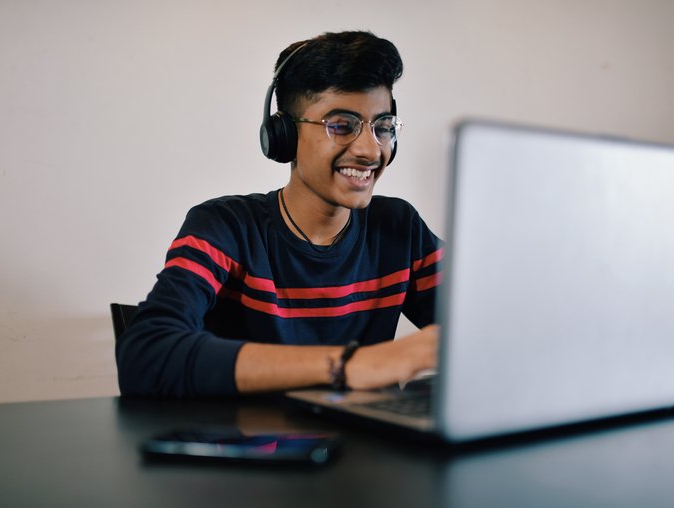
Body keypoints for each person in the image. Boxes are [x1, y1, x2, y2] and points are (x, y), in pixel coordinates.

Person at [116, 30, 442, 397]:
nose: (370, 150)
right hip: (257, 448)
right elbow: (145, 356)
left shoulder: (400, 228)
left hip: (371, 449)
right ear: (283, 134)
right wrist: (350, 365)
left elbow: (487, 336)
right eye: (341, 125)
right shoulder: (227, 228)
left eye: (382, 127)